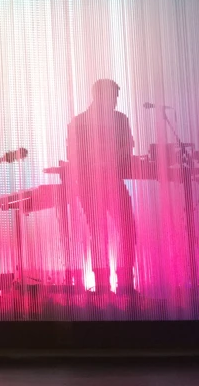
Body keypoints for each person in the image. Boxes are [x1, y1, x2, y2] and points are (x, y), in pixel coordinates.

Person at [66, 79, 137, 296]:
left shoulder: (117, 119)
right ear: (102, 96)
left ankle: (115, 284)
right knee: (105, 232)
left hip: (107, 182)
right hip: (93, 184)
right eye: (114, 96)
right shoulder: (79, 123)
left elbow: (128, 144)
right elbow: (74, 156)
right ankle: (113, 285)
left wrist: (115, 158)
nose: (116, 101)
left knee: (120, 230)